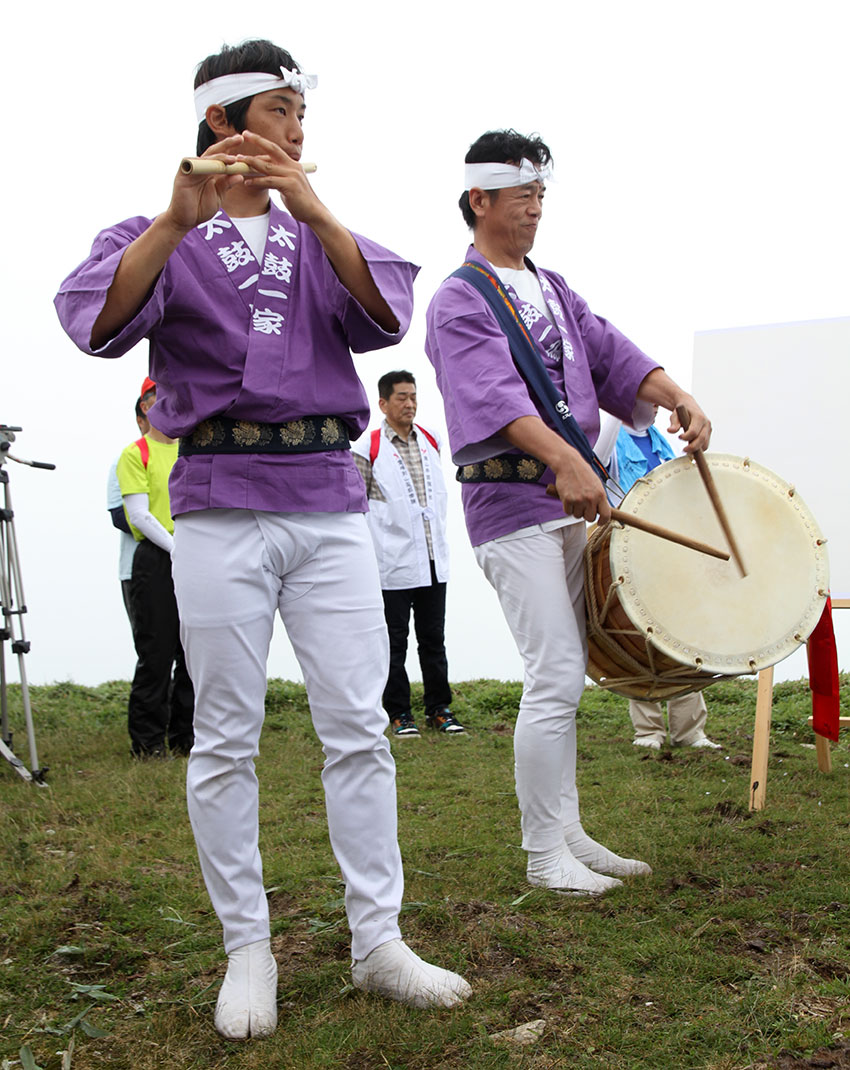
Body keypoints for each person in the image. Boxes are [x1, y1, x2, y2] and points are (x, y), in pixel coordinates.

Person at [55, 39, 469, 1040]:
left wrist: (318, 209)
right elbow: (95, 323)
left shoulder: (317, 232)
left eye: (301, 114)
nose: (298, 130)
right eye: (282, 110)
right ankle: (249, 944)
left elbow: (383, 313)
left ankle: (378, 937)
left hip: (329, 495)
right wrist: (171, 222)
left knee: (359, 725)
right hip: (216, 495)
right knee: (226, 734)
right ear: (223, 122)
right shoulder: (156, 228)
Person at [425, 129, 712, 897]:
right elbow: (490, 395)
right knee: (552, 671)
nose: (536, 207)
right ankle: (541, 854)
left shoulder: (551, 287)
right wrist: (564, 459)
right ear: (480, 199)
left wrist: (676, 396)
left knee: (568, 674)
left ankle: (570, 833)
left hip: (568, 497)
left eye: (542, 194)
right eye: (524, 193)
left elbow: (612, 354)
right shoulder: (459, 298)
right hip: (512, 499)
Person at [352, 371, 463, 737]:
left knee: (434, 639)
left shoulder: (431, 440)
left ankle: (440, 708)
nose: (409, 403)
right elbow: (358, 507)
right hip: (392, 563)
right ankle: (399, 713)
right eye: (401, 397)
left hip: (433, 559)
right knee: (393, 643)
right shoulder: (367, 449)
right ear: (383, 404)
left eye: (413, 396)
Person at [605, 410, 721, 751]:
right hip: (632, 550)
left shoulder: (659, 438)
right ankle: (648, 731)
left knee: (686, 634)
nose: (654, 406)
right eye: (646, 398)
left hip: (673, 548)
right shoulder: (611, 438)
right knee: (640, 636)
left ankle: (690, 731)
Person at [116, 377, 194, 758]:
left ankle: (187, 738)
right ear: (145, 407)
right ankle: (147, 744)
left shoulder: (190, 450)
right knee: (157, 652)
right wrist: (178, 547)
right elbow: (138, 515)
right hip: (157, 559)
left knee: (194, 652)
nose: (162, 404)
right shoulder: (136, 453)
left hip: (195, 556)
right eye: (154, 399)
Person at [107, 394, 150, 626]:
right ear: (140, 420)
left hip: (182, 567)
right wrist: (162, 531)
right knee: (151, 649)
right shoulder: (125, 459)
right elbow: (118, 516)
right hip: (137, 570)